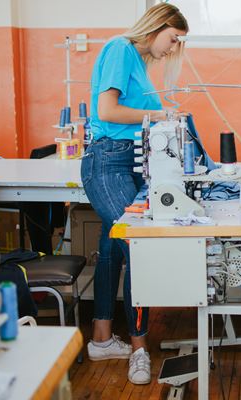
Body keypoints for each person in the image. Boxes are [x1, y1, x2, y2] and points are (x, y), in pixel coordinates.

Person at [80, 3, 188, 385]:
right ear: (158, 25)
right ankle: (140, 348)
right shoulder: (120, 48)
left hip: (128, 163)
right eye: (173, 38)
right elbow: (106, 110)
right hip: (107, 163)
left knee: (112, 246)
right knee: (136, 246)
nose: (174, 47)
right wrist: (158, 116)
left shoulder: (137, 64)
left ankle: (102, 338)